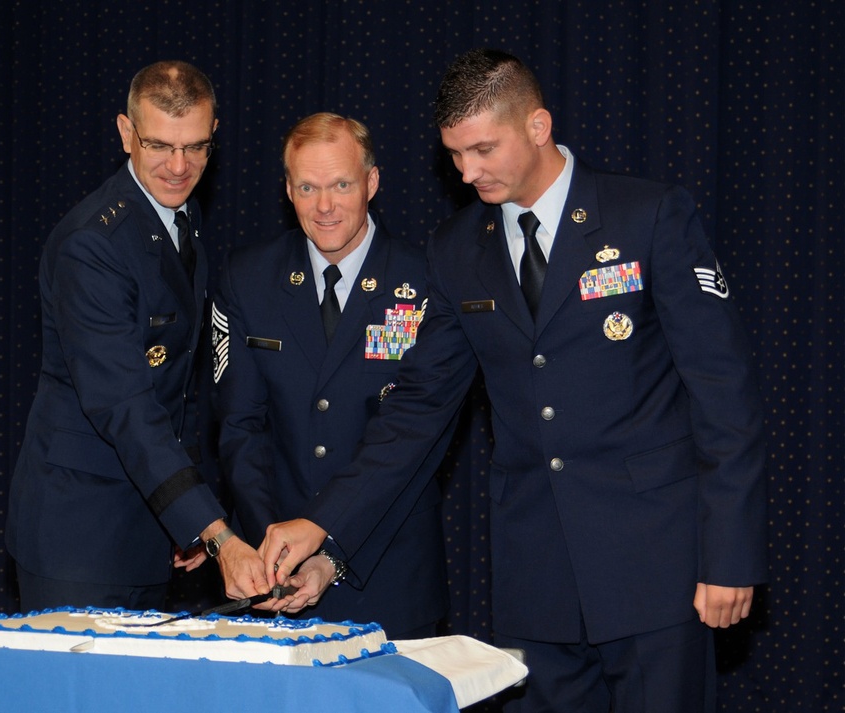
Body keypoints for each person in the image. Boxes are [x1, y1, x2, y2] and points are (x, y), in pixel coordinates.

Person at [259, 49, 767, 712]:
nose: (467, 172)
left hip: (656, 569)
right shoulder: (457, 249)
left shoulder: (647, 215)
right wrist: (321, 523)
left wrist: (729, 554)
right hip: (539, 583)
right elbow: (418, 409)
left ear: (537, 126)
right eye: (455, 156)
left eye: (482, 149)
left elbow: (724, 394)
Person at [6, 60, 268, 613]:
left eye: (196, 147)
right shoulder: (93, 245)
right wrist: (214, 532)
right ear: (125, 132)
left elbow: (177, 386)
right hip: (78, 537)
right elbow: (124, 405)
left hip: (149, 527)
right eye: (159, 146)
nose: (179, 167)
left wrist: (185, 519)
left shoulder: (183, 215)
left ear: (214, 133)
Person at [211, 113, 451, 638]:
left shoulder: (429, 279)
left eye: (341, 184)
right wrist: (272, 548)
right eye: (307, 187)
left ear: (372, 182)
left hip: (390, 577)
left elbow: (414, 442)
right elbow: (241, 428)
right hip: (274, 586)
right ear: (288, 190)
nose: (324, 206)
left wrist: (331, 549)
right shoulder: (246, 277)